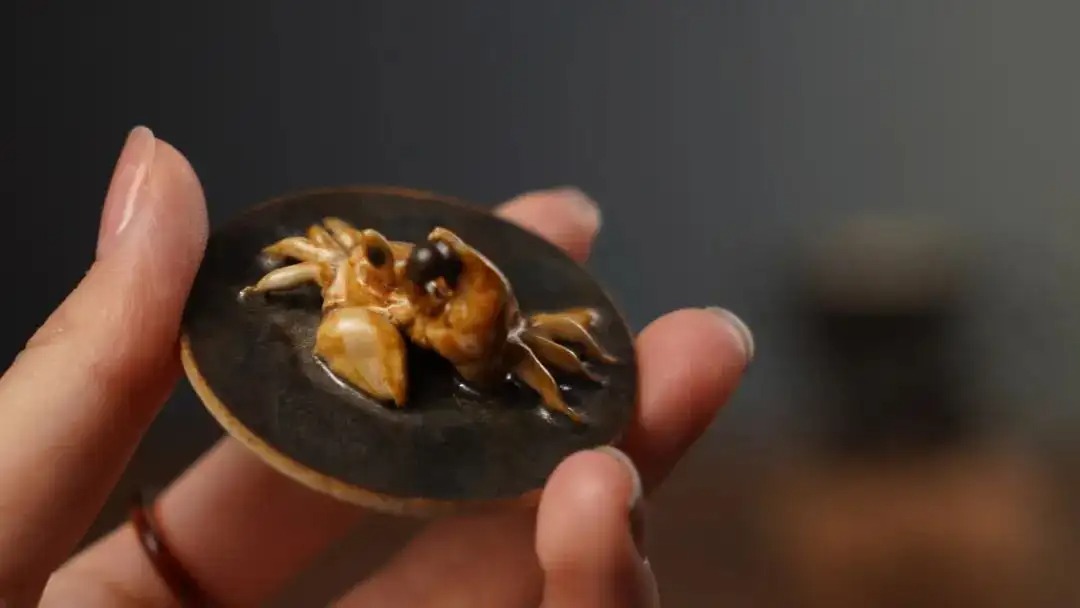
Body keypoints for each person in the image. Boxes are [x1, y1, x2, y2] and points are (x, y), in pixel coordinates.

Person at [0, 127, 753, 607]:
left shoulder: (492, 318)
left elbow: (535, 350)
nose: (409, 301)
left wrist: (534, 387)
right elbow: (321, 252)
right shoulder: (371, 269)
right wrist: (317, 287)